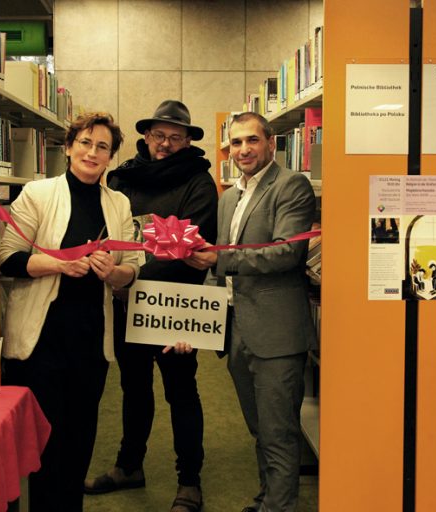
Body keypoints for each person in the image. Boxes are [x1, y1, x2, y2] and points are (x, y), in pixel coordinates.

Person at [0, 112, 140, 512]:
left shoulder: (119, 203)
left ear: (110, 157)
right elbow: (7, 258)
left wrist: (113, 273)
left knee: (79, 442)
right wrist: (58, 264)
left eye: (102, 147)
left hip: (91, 341)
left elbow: (133, 270)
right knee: (46, 448)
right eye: (85, 143)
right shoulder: (37, 194)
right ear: (68, 147)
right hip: (41, 342)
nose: (92, 153)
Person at [84, 100, 218, 512]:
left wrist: (131, 268)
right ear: (146, 136)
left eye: (176, 137)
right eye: (159, 135)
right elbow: (108, 235)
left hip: (176, 305)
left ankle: (190, 481)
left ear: (188, 141)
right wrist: (125, 273)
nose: (165, 144)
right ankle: (129, 466)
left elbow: (191, 249)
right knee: (134, 388)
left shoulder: (199, 182)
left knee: (182, 392)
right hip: (127, 301)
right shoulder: (122, 178)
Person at [187, 112, 317, 512]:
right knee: (259, 428)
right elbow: (220, 268)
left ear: (271, 143)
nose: (243, 150)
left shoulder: (291, 185)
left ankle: (278, 507)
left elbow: (286, 252)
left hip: (276, 334)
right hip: (238, 330)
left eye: (252, 140)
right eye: (236, 143)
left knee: (279, 432)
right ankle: (267, 500)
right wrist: (199, 323)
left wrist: (218, 259)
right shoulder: (229, 196)